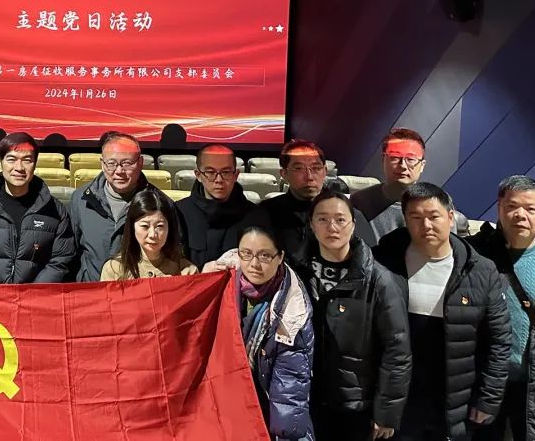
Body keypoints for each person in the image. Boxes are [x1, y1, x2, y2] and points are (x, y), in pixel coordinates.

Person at [373, 182, 511, 440]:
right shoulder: (382, 262)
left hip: (455, 401)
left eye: (433, 216)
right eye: (416, 217)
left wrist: (488, 398)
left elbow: (499, 341)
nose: (426, 225)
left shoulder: (480, 270)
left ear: (450, 217)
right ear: (405, 220)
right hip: (398, 399)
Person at [301, 189, 411, 441]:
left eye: (340, 219)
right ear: (312, 225)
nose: (332, 227)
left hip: (357, 407)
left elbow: (397, 351)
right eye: (322, 219)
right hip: (308, 401)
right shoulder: (298, 274)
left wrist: (386, 412)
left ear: (352, 224)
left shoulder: (379, 279)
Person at [469, 175, 535, 441]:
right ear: (499, 209)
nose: (521, 215)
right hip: (485, 382)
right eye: (512, 206)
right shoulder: (473, 256)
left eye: (530, 208)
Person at [207, 225, 314, 440]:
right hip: (223, 397)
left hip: (264, 403)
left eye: (265, 256)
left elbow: (289, 390)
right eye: (246, 254)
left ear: (280, 257)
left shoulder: (292, 311)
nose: (254, 264)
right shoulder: (221, 281)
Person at [0, 132, 75, 283]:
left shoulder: (56, 210)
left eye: (27, 160)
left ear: (35, 164)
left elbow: (60, 260)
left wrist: (32, 293)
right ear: (0, 162)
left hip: (36, 295)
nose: (19, 168)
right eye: (11, 160)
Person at [260, 139, 373, 264]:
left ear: (325, 171)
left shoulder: (347, 214)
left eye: (316, 168)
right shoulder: (264, 214)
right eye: (298, 168)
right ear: (284, 173)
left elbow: (368, 263)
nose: (309, 177)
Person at [69, 131, 155, 282]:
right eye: (111, 163)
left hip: (136, 292)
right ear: (102, 164)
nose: (119, 171)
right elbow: (71, 252)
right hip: (92, 291)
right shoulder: (81, 199)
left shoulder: (158, 203)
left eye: (127, 163)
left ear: (140, 163)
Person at [175, 144, 259, 268]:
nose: (219, 179)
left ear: (236, 175)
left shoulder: (256, 216)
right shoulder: (178, 212)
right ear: (198, 175)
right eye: (210, 172)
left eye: (226, 172)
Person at [101, 188, 198, 280]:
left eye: (160, 226)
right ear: (132, 227)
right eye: (145, 226)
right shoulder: (115, 269)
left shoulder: (185, 270)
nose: (152, 235)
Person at [351, 128, 429, 241]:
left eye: (410, 159)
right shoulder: (360, 202)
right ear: (383, 159)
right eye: (395, 157)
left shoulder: (436, 206)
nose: (403, 165)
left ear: (422, 165)